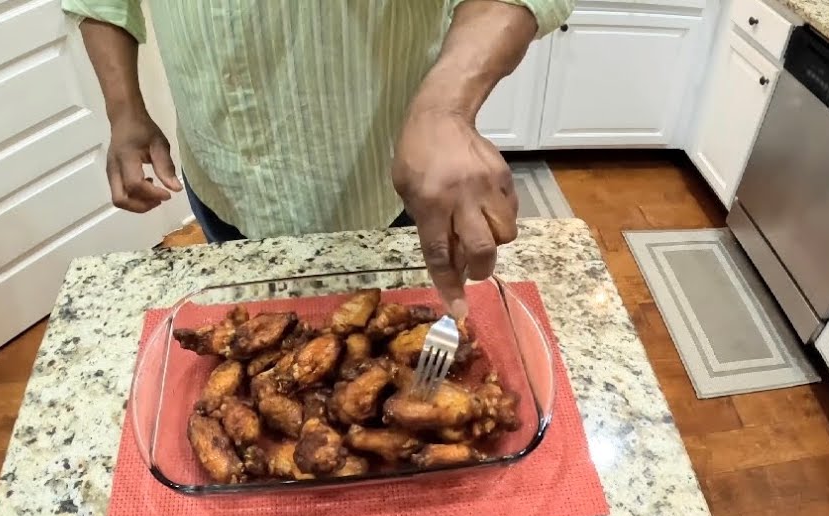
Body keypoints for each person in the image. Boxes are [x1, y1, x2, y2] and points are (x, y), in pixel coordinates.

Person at [65, 0, 573, 317]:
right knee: (261, 323)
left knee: (389, 337)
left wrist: (446, 108)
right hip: (220, 176)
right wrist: (125, 108)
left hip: (379, 181)